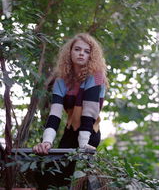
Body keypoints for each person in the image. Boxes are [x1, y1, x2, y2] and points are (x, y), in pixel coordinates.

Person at [33, 33, 108, 188]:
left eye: (87, 51)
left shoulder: (96, 76)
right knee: (53, 172)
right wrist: (47, 142)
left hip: (89, 132)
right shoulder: (60, 81)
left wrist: (83, 144)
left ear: (91, 56)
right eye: (77, 49)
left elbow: (90, 111)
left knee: (87, 180)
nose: (81, 53)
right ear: (70, 52)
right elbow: (55, 113)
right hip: (70, 131)